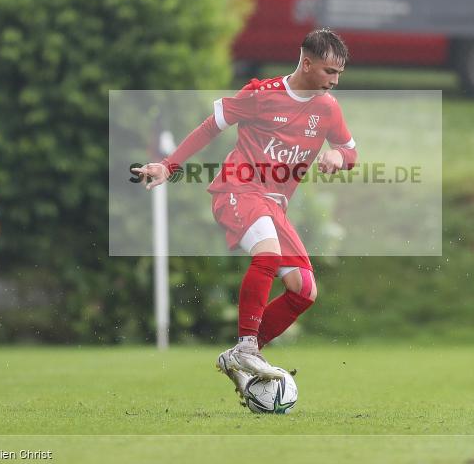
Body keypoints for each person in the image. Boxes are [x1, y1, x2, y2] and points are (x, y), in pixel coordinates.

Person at [132, 29, 357, 403]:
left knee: (304, 291)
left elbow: (351, 152)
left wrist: (338, 156)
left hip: (274, 206)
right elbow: (210, 127)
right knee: (266, 254)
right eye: (329, 72)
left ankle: (239, 357)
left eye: (339, 74)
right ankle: (247, 347)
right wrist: (169, 166)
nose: (335, 81)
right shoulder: (261, 94)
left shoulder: (328, 107)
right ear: (307, 63)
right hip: (238, 189)